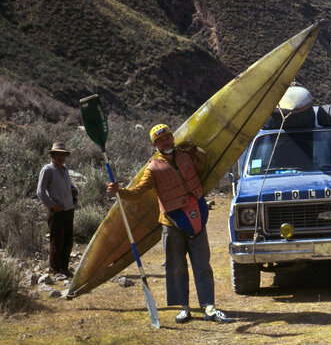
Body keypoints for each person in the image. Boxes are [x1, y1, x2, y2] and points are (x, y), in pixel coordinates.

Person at [107, 124, 232, 324]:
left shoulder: (186, 156)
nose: (165, 142)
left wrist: (198, 152)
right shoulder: (153, 167)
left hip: (196, 217)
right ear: (154, 144)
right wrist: (119, 191)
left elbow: (203, 169)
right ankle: (184, 308)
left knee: (203, 264)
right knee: (176, 266)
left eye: (167, 137)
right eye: (160, 140)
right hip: (171, 223)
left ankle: (209, 306)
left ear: (173, 138)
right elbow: (138, 192)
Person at [37, 142, 78, 278]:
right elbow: (40, 191)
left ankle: (64, 268)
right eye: (58, 154)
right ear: (53, 155)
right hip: (57, 212)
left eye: (63, 154)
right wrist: (52, 206)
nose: (61, 157)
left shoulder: (65, 169)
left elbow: (70, 187)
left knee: (68, 241)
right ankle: (55, 270)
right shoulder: (47, 170)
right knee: (57, 241)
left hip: (68, 210)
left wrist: (74, 198)